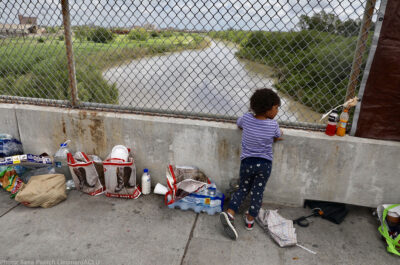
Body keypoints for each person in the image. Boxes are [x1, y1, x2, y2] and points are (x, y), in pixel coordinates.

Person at [220, 88, 283, 240]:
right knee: (257, 192)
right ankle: (249, 221)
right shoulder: (273, 125)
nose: (277, 111)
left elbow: (239, 124)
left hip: (247, 162)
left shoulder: (247, 119)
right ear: (267, 109)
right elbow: (278, 135)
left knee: (242, 189)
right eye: (276, 108)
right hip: (264, 165)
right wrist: (277, 136)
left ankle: (230, 213)